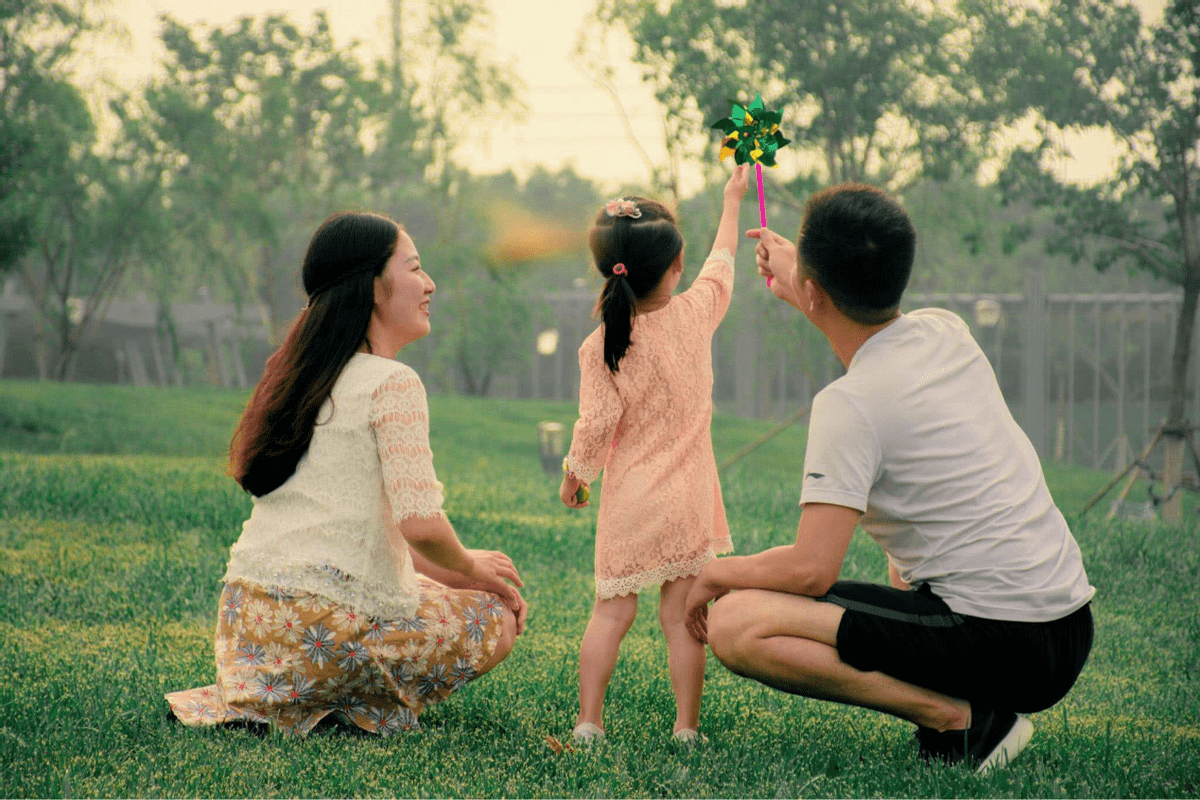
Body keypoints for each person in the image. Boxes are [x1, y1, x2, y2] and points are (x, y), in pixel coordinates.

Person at [684, 183, 1095, 773]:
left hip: (1002, 641)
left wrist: (714, 572)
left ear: (815, 289)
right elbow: (864, 325)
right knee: (901, 560)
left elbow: (810, 569)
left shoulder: (848, 406)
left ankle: (962, 720)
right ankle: (970, 707)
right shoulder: (945, 331)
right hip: (1067, 628)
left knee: (736, 622)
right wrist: (804, 283)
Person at [166, 211, 527, 735]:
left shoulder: (299, 375)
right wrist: (472, 566)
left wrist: (466, 573)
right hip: (324, 635)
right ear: (376, 287)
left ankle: (304, 700)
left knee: (450, 593)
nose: (430, 285)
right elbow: (421, 526)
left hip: (249, 632)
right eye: (416, 269)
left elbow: (368, 552)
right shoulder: (392, 383)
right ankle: (360, 704)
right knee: (493, 621)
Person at [559, 164, 750, 744]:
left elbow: (597, 422)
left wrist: (576, 474)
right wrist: (733, 199)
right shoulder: (696, 315)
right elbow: (724, 262)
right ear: (676, 266)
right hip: (688, 499)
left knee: (611, 613)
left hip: (632, 503)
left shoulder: (600, 345)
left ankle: (589, 722)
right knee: (680, 619)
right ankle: (686, 728)